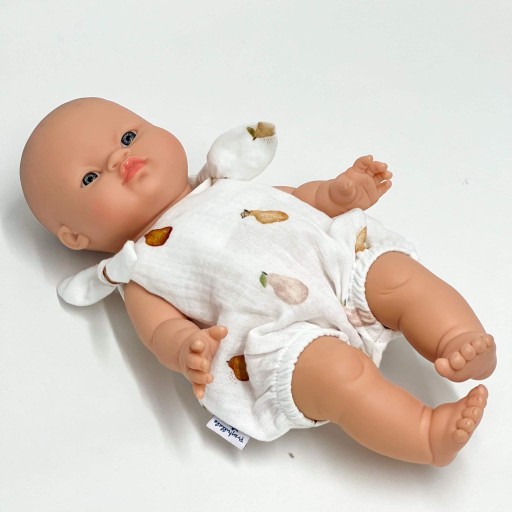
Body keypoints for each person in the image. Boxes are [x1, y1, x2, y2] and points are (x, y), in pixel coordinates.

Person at [20, 97, 496, 466]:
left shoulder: (224, 183)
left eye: (128, 136)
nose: (120, 159)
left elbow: (295, 199)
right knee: (337, 376)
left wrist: (336, 194)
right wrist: (186, 348)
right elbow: (158, 330)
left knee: (395, 277)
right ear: (76, 237)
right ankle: (424, 434)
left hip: (335, 268)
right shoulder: (140, 268)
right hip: (284, 337)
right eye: (90, 178)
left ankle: (457, 338)